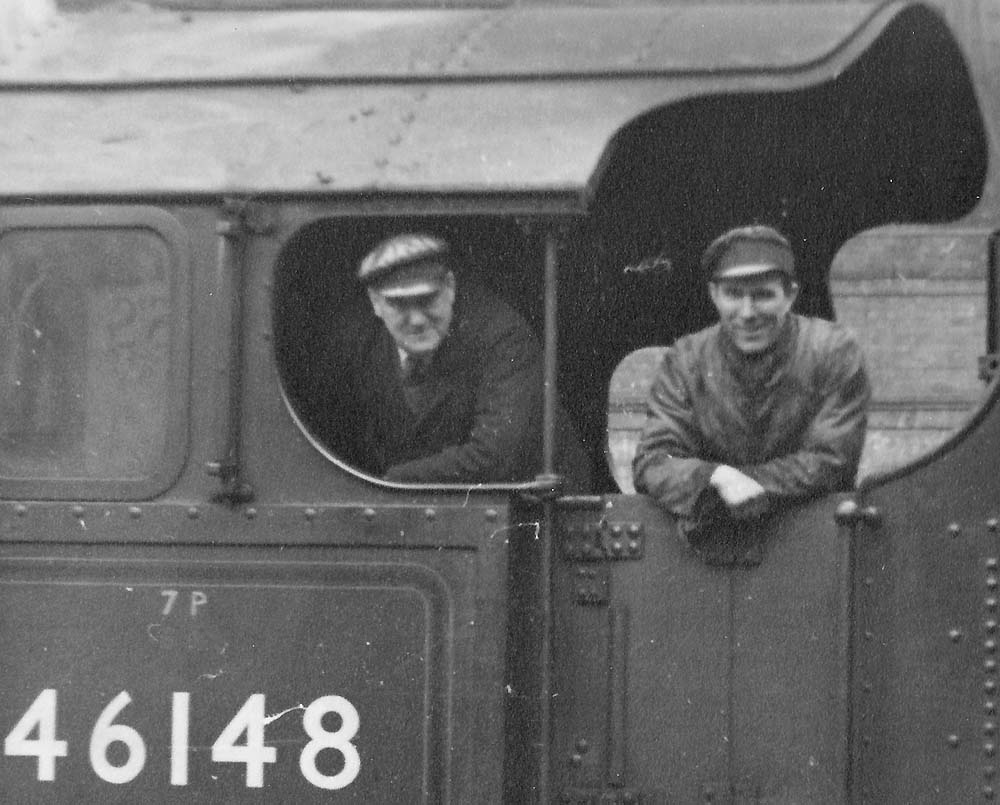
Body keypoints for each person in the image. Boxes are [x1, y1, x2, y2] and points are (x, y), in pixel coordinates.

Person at [632, 225, 870, 564]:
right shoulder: (686, 360)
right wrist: (714, 478)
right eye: (733, 294)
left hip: (814, 546)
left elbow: (831, 458)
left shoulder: (832, 351)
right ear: (714, 294)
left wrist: (735, 487)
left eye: (762, 295)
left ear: (790, 295)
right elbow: (653, 461)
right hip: (707, 556)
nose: (747, 313)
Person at [346, 232, 589, 487]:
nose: (416, 320)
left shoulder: (502, 337)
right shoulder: (362, 349)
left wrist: (388, 484)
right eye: (399, 304)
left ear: (450, 287)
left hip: (530, 510)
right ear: (375, 302)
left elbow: (494, 456)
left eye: (427, 299)